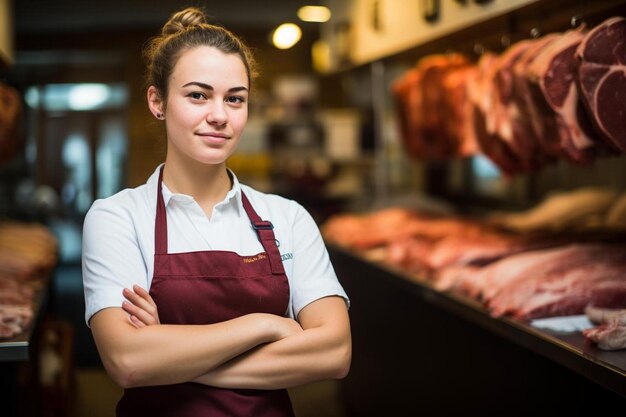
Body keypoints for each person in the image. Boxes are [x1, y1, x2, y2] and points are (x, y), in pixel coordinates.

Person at [81, 7, 351, 417]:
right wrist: (264, 325)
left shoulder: (288, 217)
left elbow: (334, 352)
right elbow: (128, 362)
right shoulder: (117, 218)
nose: (219, 115)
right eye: (197, 95)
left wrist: (171, 356)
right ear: (157, 101)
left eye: (235, 99)